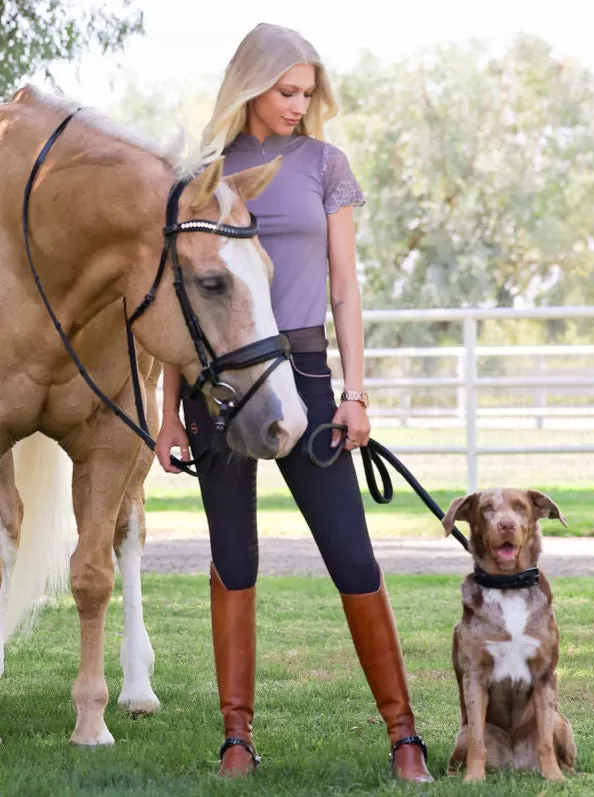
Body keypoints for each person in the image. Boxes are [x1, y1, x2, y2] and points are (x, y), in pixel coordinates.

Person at [155, 23, 433, 784]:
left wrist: (356, 392)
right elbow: (184, 302)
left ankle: (404, 735)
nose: (298, 104)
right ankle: (236, 738)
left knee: (351, 554)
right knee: (233, 560)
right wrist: (167, 408)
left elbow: (344, 285)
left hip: (305, 375)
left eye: (307, 92)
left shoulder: (324, 165)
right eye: (285, 91)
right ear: (250, 86)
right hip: (220, 387)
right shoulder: (204, 175)